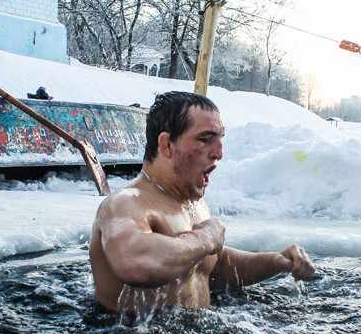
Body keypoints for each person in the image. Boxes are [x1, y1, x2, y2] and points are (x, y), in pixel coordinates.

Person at [89, 91, 316, 312]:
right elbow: (135, 262)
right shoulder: (125, 204)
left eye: (220, 139)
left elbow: (214, 266)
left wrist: (277, 262)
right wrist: (205, 237)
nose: (219, 153)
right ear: (167, 144)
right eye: (206, 139)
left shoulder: (193, 203)